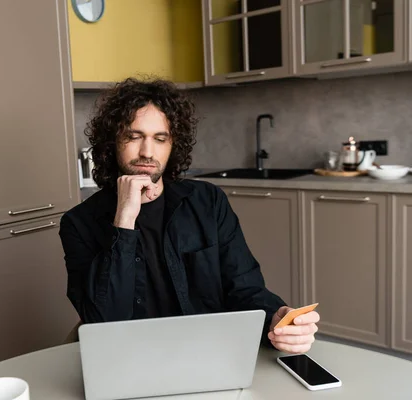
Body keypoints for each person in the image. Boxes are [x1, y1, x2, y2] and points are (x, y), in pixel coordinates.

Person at [59, 77, 319, 353]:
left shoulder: (208, 202)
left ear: (173, 145)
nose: (147, 152)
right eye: (133, 137)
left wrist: (275, 317)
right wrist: (124, 220)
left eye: (160, 139)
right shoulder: (78, 223)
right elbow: (102, 321)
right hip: (128, 357)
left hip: (207, 352)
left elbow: (244, 288)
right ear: (111, 143)